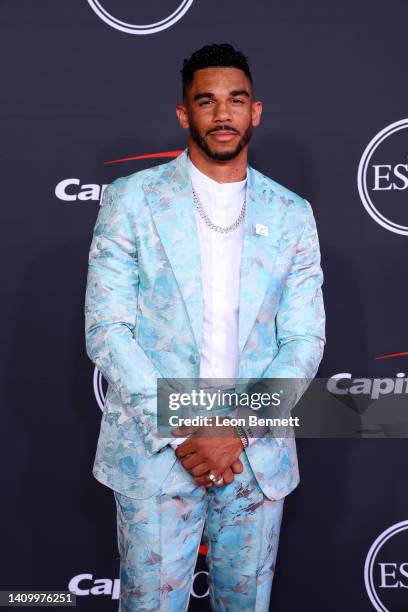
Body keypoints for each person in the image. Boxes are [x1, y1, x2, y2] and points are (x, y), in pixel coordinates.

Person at [85, 43, 325, 612]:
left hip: (255, 455)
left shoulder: (292, 213)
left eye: (235, 100)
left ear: (255, 111)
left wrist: (233, 431)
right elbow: (107, 329)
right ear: (183, 113)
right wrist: (190, 430)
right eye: (207, 101)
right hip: (158, 452)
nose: (222, 114)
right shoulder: (131, 201)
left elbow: (303, 340)